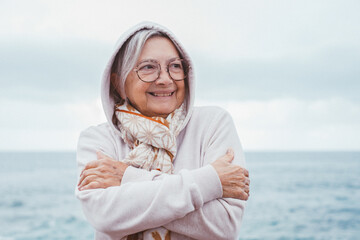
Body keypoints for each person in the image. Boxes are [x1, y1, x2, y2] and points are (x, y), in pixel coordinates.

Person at [76, 21, 250, 240]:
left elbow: (224, 226)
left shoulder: (213, 124)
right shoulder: (98, 139)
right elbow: (103, 216)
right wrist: (210, 181)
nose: (166, 79)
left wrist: (127, 179)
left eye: (175, 66)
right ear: (118, 83)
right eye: (148, 67)